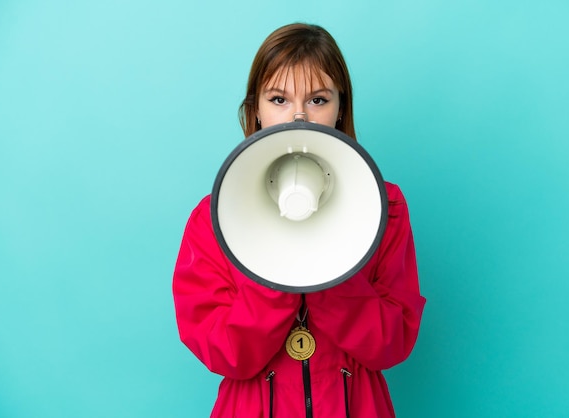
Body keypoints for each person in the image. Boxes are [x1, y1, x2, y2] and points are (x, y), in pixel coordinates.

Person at [173, 23, 426, 418]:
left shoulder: (385, 206)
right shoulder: (212, 219)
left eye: (318, 99)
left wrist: (328, 268)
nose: (298, 116)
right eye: (278, 99)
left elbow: (392, 343)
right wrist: (279, 267)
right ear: (255, 109)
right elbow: (223, 351)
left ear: (341, 108)